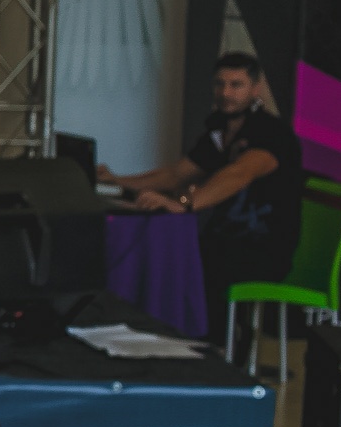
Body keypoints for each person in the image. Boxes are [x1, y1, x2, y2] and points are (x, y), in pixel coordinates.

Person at [99, 51, 304, 348]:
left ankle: (214, 348)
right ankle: (157, 341)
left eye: (236, 85)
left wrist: (183, 204)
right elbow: (176, 174)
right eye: (220, 84)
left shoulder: (272, 134)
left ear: (255, 89)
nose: (226, 93)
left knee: (195, 265)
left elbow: (239, 174)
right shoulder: (219, 132)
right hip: (224, 241)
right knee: (169, 256)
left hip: (264, 249)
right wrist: (116, 181)